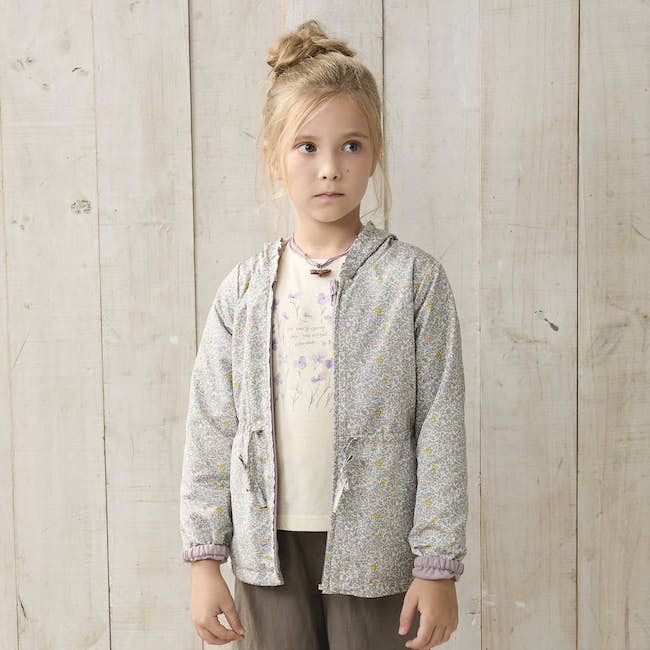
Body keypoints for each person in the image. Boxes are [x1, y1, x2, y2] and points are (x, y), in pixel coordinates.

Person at [180, 18, 468, 650]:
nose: (330, 168)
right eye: (307, 146)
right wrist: (205, 561)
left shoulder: (413, 281)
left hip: (377, 546)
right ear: (273, 158)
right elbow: (211, 424)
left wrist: (437, 564)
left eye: (351, 146)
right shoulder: (244, 289)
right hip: (267, 550)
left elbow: (439, 427)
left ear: (376, 154)